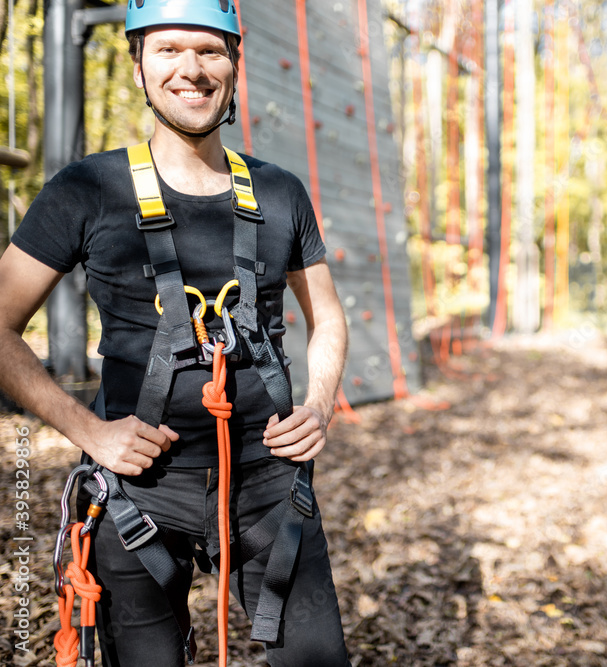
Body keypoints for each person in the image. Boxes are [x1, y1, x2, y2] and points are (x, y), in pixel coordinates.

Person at [0, 1, 352, 665]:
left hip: (270, 483)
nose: (191, 68)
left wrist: (320, 403)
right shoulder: (88, 189)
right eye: (167, 50)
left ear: (235, 64)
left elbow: (326, 315)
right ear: (138, 65)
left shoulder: (280, 193)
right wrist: (89, 430)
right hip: (141, 494)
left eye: (209, 50)